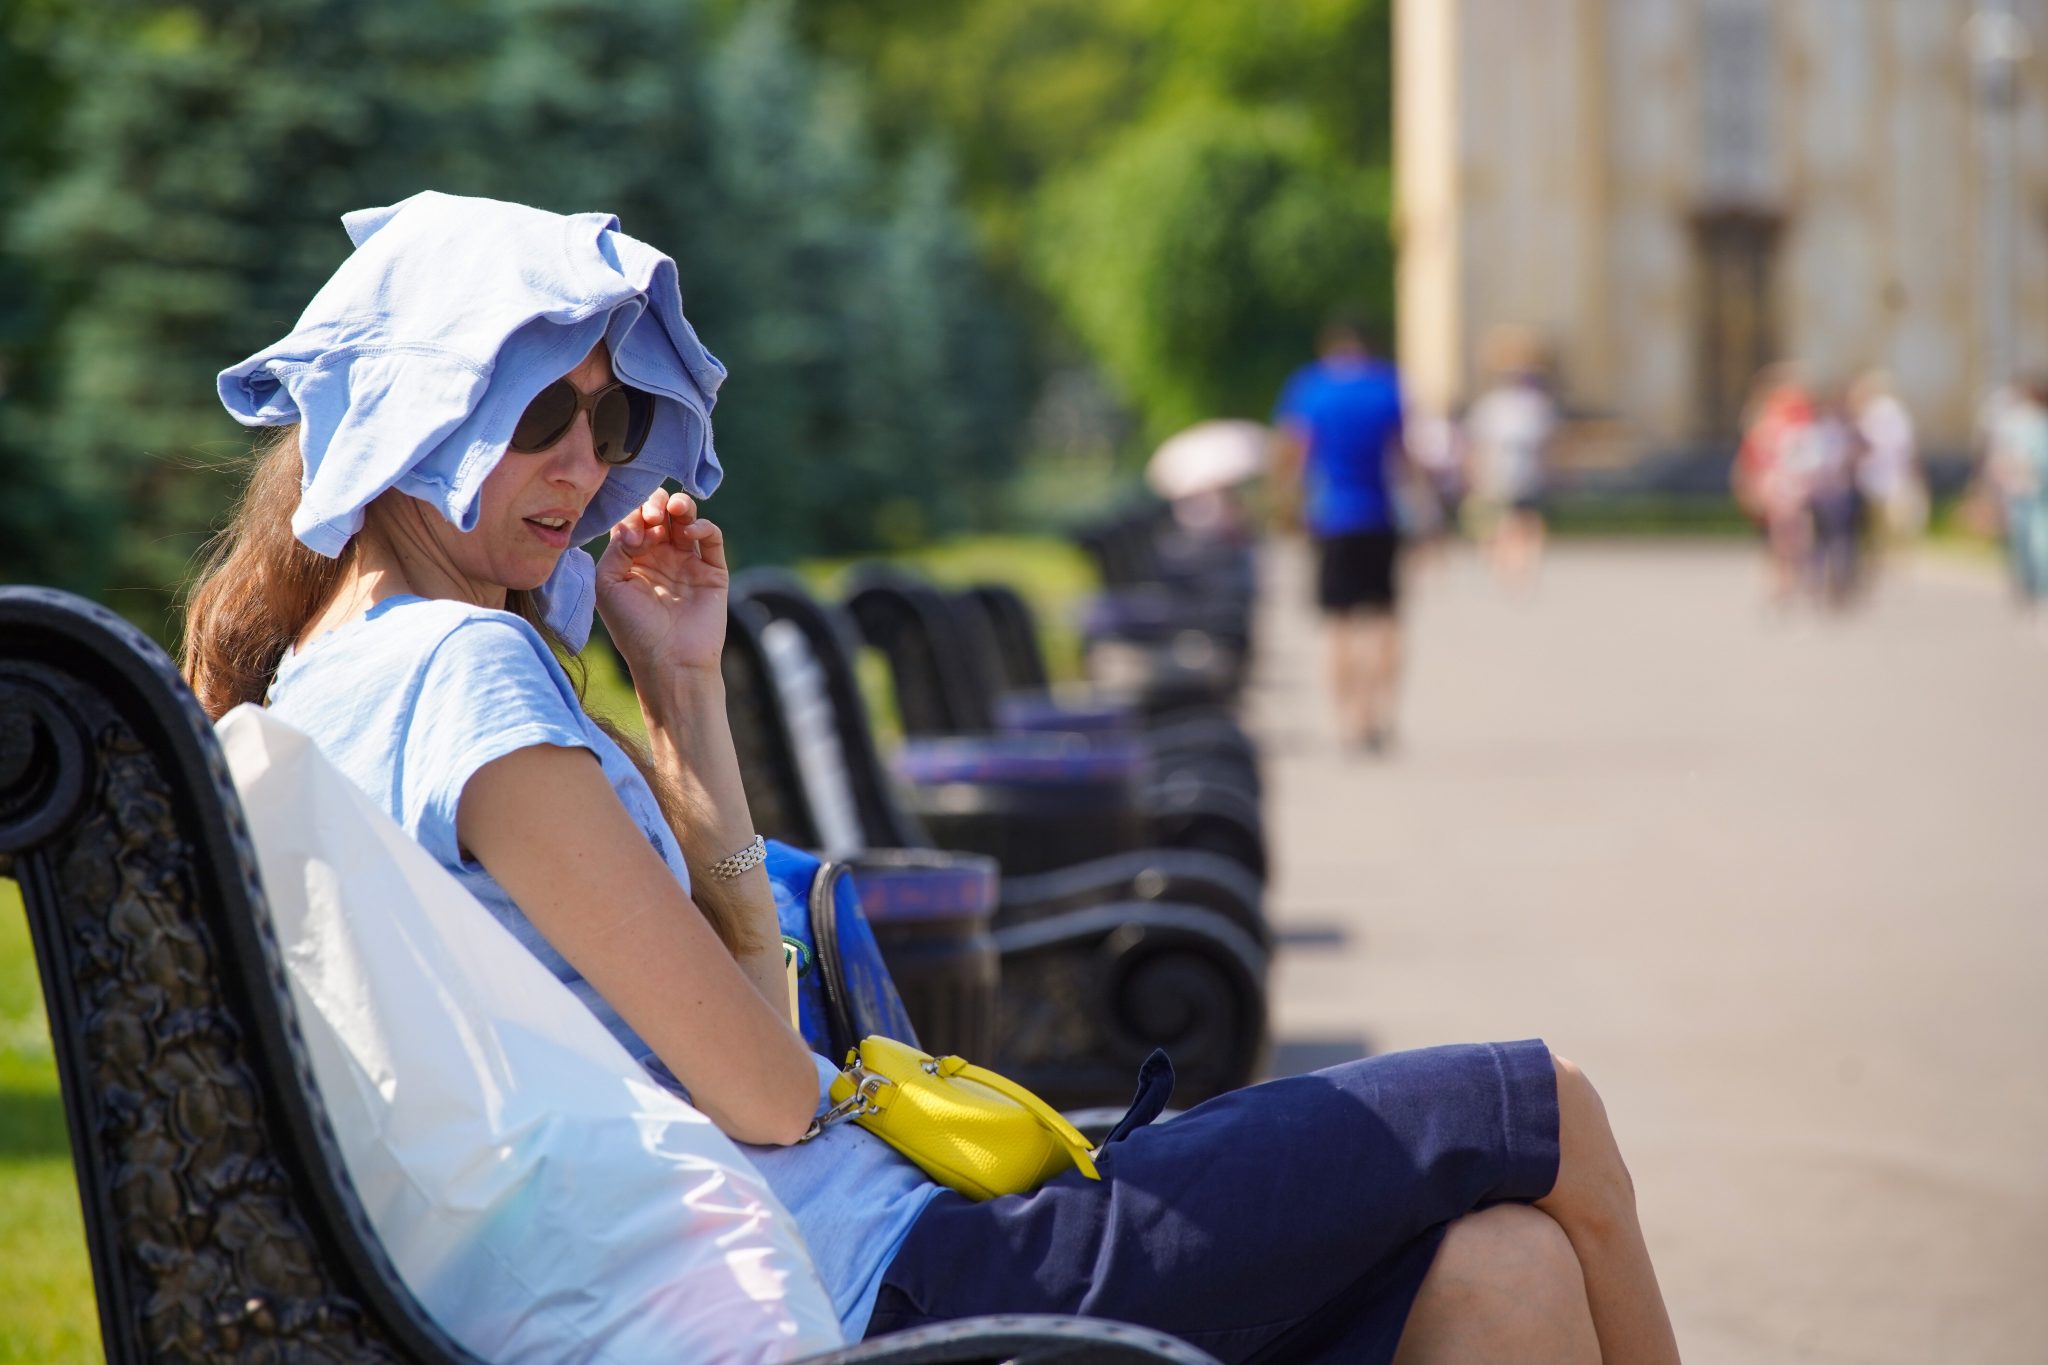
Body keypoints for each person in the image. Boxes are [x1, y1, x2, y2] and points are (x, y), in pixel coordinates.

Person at [182, 195, 1678, 1364]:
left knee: (1506, 1274)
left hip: (859, 1254)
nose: (589, 466)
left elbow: (743, 1033)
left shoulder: (332, 685)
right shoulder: (463, 674)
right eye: (538, 415)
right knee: (1548, 1103)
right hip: (893, 1283)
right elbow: (772, 1091)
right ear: (410, 419)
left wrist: (684, 686)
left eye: (612, 414)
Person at [1271, 320, 1411, 755]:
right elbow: (1403, 457)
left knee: (1338, 626)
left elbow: (1292, 453)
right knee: (1385, 621)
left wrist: (1284, 508)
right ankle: (1379, 714)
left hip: (1331, 518)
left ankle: (1347, 722)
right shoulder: (1388, 387)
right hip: (1379, 515)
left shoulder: (1310, 388)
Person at [1463, 362, 1560, 592]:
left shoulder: (1536, 407)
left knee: (1526, 520)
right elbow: (1478, 445)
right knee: (1500, 522)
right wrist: (1475, 473)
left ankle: (1523, 564)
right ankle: (1502, 561)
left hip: (1525, 474)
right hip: (1497, 472)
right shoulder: (1491, 406)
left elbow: (1546, 446)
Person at [1978, 375, 2048, 615]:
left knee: (2034, 538)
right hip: (2019, 487)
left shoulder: (2035, 422)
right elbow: (2000, 457)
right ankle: (2031, 585)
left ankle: (2036, 586)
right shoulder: (2016, 422)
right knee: (2025, 539)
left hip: (2034, 486)